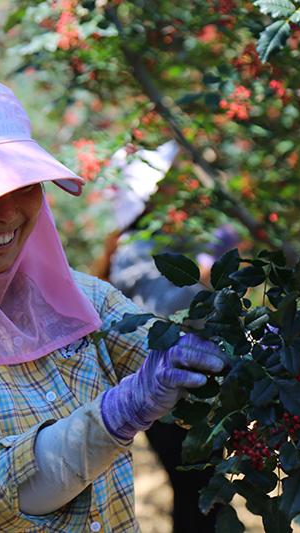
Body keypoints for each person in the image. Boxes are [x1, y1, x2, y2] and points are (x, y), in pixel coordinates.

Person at [0, 73, 229, 532]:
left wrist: (259, 352)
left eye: (22, 183)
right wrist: (119, 411)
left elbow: (206, 390)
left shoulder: (82, 301)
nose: (7, 211)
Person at [91, 144, 239, 532]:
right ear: (151, 194)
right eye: (167, 180)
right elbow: (171, 319)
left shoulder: (162, 240)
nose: (178, 185)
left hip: (189, 391)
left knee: (201, 491)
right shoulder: (138, 250)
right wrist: (209, 270)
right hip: (174, 399)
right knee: (200, 494)